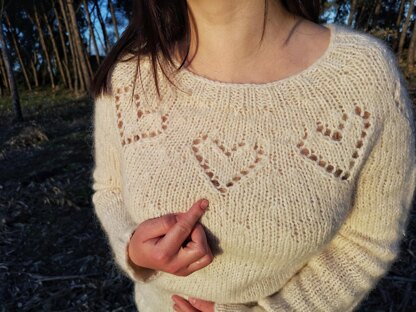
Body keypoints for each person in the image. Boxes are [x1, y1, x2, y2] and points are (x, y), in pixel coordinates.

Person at [88, 0, 416, 311]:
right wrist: (131, 246)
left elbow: (368, 240)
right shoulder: (131, 76)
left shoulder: (362, 78)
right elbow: (109, 189)